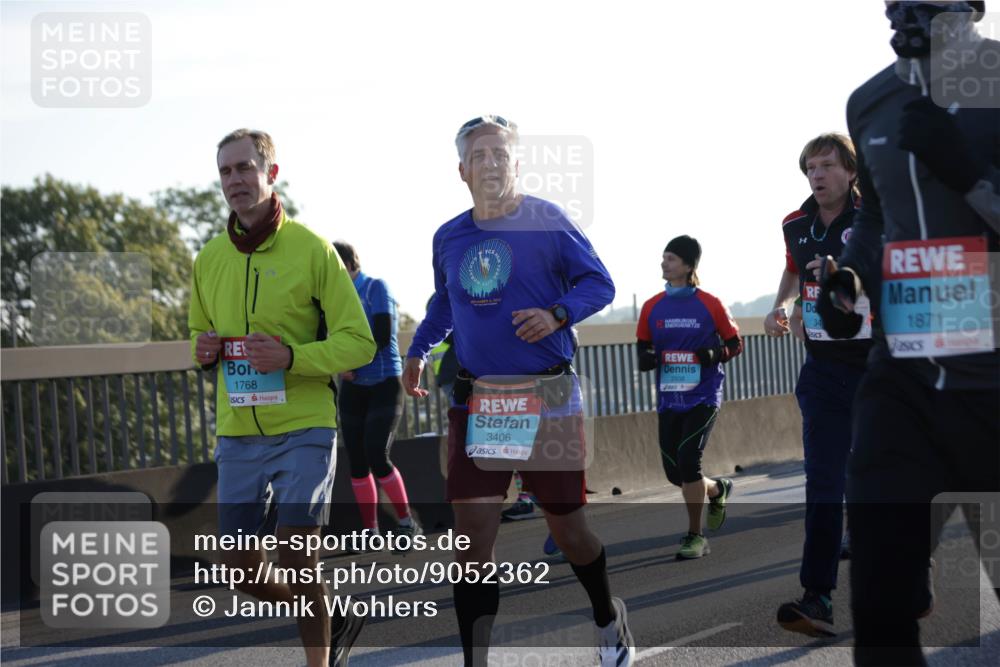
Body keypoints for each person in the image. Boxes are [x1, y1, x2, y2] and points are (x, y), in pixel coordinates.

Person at [403, 115, 634, 667]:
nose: (490, 164)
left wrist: (558, 314)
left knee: (570, 530)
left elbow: (599, 283)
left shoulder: (547, 221)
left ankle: (607, 618)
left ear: (516, 163)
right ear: (461, 170)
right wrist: (417, 349)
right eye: (478, 156)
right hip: (480, 402)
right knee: (472, 541)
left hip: (547, 397)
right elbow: (445, 303)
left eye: (499, 155)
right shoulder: (449, 236)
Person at [816, 3, 999, 663]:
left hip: (993, 387)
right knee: (881, 598)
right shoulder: (869, 101)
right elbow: (878, 219)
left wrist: (971, 177)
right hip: (905, 384)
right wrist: (853, 281)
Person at [188, 129, 376, 667]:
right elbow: (200, 337)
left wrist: (292, 357)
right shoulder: (208, 259)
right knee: (241, 569)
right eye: (226, 171)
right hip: (238, 431)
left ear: (271, 174)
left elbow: (358, 342)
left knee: (297, 554)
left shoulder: (312, 249)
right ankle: (331, 614)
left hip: (304, 424)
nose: (235, 181)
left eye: (245, 168)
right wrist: (200, 349)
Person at [762, 133, 873, 638]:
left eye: (828, 165)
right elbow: (790, 268)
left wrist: (845, 285)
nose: (818, 175)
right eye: (811, 167)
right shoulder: (794, 224)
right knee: (824, 484)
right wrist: (784, 305)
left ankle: (913, 571)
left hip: (879, 368)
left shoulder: (877, 216)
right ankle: (818, 598)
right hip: (823, 371)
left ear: (851, 171)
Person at [636, 235, 743, 560]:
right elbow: (643, 344)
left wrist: (714, 352)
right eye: (664, 257)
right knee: (675, 473)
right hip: (670, 398)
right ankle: (717, 489)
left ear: (687, 265)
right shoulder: (652, 306)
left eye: (669, 258)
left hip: (703, 396)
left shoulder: (710, 304)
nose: (663, 263)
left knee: (687, 460)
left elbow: (735, 344)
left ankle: (695, 536)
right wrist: (646, 357)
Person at [333, 241, 421, 551]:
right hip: (353, 387)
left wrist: (351, 362)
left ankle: (407, 521)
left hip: (383, 382)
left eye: (334, 265)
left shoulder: (375, 287)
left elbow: (383, 336)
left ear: (349, 264)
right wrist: (337, 362)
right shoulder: (332, 296)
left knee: (376, 454)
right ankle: (370, 531)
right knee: (356, 462)